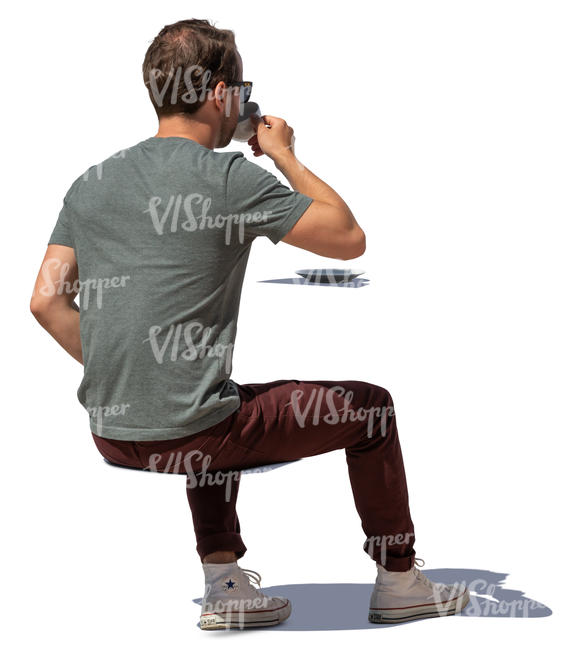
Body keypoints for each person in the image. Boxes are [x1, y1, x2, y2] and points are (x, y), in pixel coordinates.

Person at [30, 18, 469, 629]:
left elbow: (46, 302)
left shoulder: (91, 183)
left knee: (213, 403)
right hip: (194, 432)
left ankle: (225, 584)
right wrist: (284, 153)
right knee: (371, 409)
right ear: (218, 95)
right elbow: (347, 238)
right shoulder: (230, 178)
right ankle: (400, 580)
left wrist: (133, 372)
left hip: (111, 431)